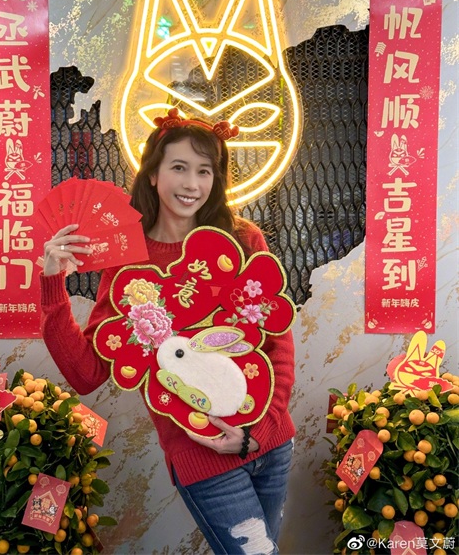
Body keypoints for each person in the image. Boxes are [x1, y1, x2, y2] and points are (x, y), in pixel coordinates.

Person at [40, 108, 296, 555]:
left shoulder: (241, 239)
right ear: (154, 174)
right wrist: (52, 282)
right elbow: (87, 373)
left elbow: (277, 343)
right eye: (179, 167)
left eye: (204, 171)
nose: (192, 184)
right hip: (202, 455)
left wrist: (261, 429)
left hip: (270, 443)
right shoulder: (129, 262)